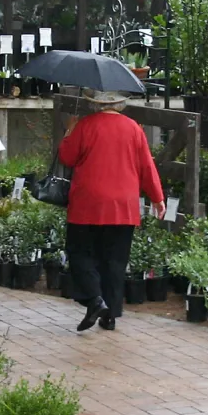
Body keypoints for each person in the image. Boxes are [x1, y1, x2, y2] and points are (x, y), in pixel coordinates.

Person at [57, 89, 165, 332]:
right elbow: (146, 166)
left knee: (80, 253)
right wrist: (157, 198)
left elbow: (67, 157)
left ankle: (95, 300)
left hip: (89, 202)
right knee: (115, 260)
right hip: (123, 204)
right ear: (121, 104)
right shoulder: (134, 128)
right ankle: (110, 315)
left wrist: (69, 132)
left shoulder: (85, 125)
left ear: (95, 104)